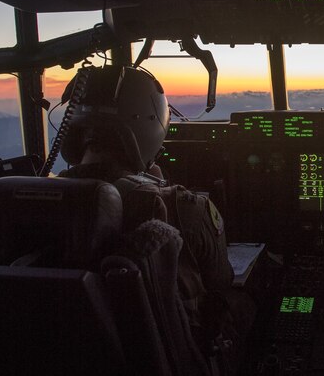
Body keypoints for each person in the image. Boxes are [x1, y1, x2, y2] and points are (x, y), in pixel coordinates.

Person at [57, 64, 252, 373]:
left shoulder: (36, 204)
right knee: (245, 304)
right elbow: (221, 280)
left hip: (75, 356)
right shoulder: (180, 207)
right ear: (150, 126)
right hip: (172, 359)